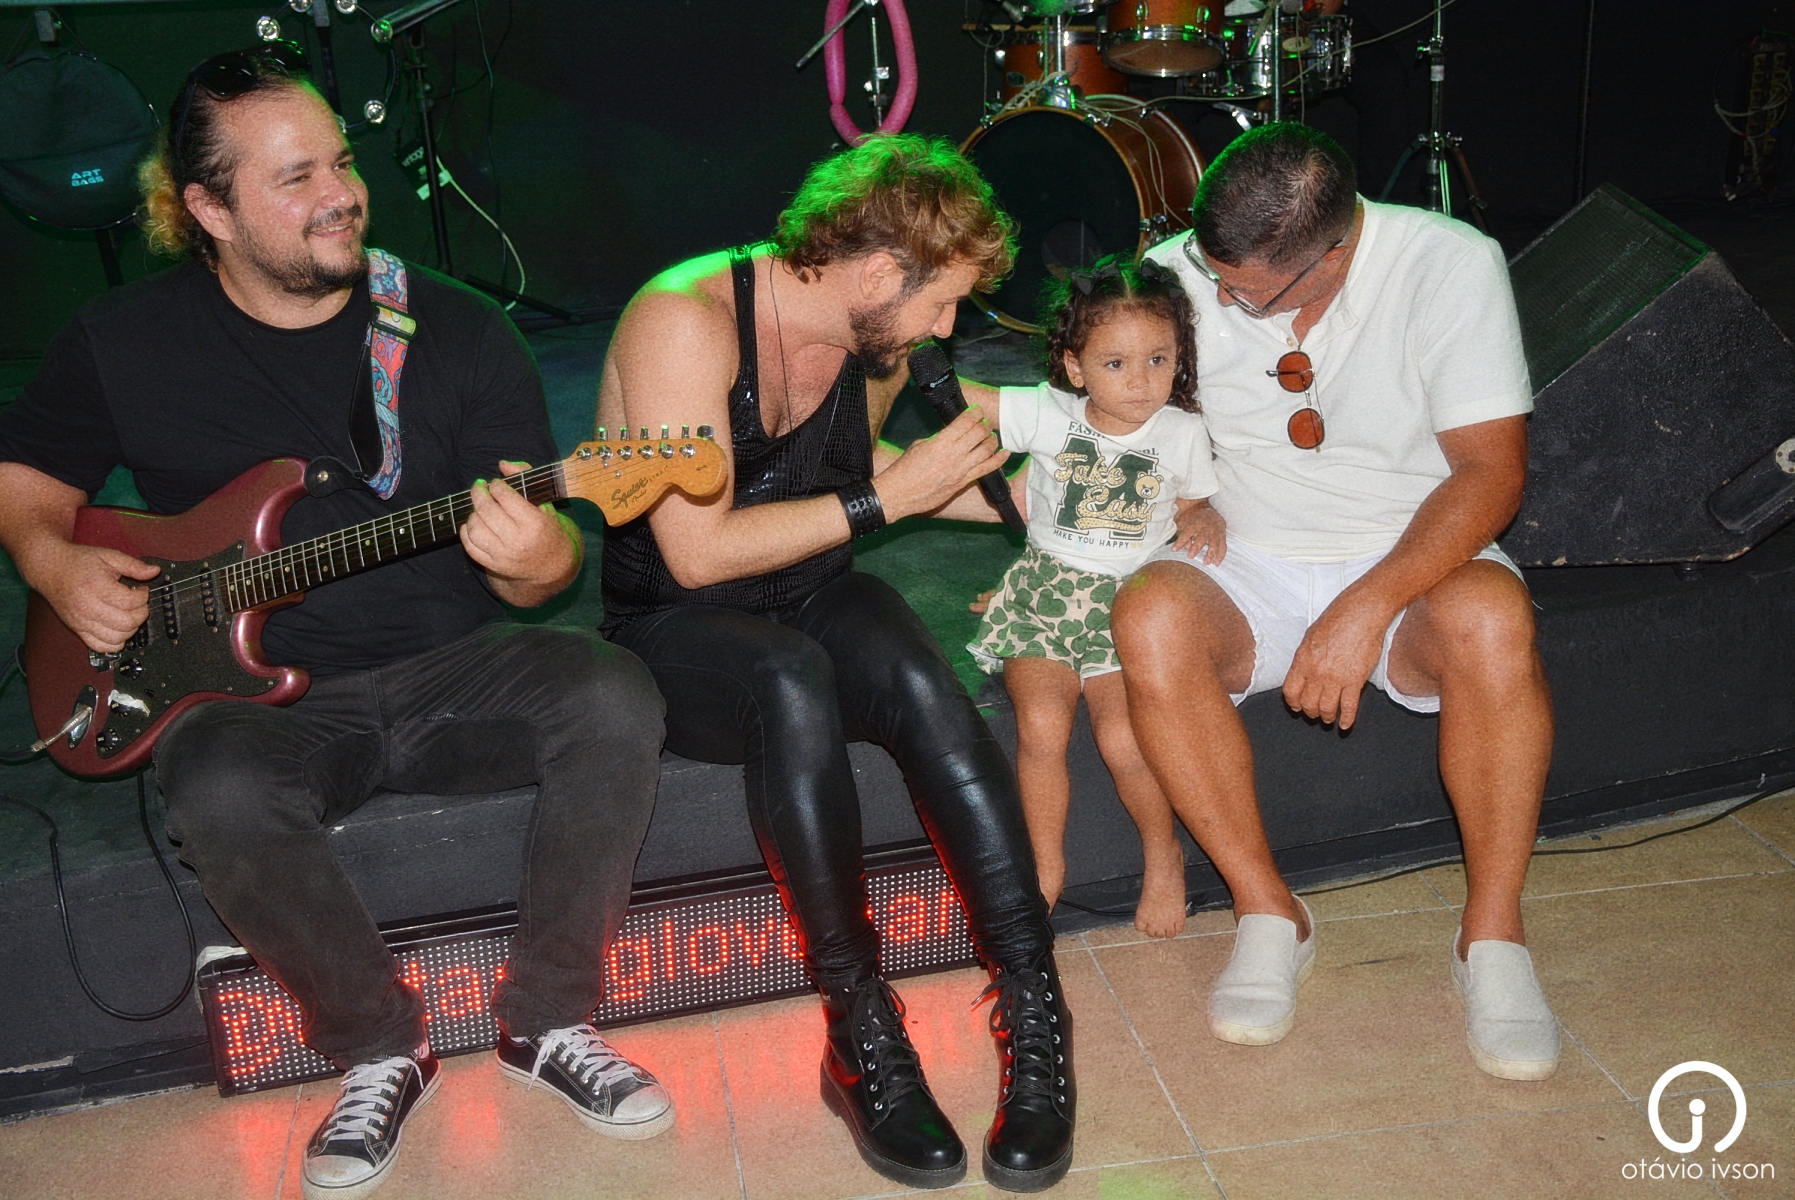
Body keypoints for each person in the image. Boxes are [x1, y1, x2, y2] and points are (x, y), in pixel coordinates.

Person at [0, 46, 674, 1200]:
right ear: (207, 209)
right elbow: (24, 477)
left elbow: (545, 571)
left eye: (344, 162)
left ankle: (548, 1020)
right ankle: (378, 1048)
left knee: (613, 694)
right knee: (213, 785)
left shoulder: (454, 328)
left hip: (457, 668)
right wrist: (53, 562)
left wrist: (542, 559)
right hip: (260, 700)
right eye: (295, 176)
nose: (340, 194)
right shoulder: (121, 340)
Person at [597, 134, 1075, 1193]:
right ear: (874, 274)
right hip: (678, 623)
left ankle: (1034, 1001)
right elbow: (696, 550)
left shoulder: (873, 343)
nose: (946, 328)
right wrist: (887, 501)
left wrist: (1046, 505)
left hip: (805, 587)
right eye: (941, 303)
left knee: (912, 667)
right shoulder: (684, 319)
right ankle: (860, 1028)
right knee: (789, 678)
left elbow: (860, 467)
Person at [1119, 123, 1561, 1080]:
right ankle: (1268, 912)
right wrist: (1166, 499)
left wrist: (1366, 606)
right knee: (1148, 616)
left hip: (1410, 552)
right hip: (1244, 552)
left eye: (1248, 293)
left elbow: (1491, 474)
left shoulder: (1447, 262)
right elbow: (1114, 430)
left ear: (1334, 251)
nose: (1221, 300)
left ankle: (1491, 937)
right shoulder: (1175, 273)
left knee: (1492, 620)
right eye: (1213, 277)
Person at [960, 254, 1223, 939]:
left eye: (1158, 360)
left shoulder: (1181, 433)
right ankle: (1045, 867)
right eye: (1114, 363)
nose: (1140, 381)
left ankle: (1162, 854)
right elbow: (969, 396)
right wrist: (887, 356)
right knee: (1041, 728)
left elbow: (1194, 502)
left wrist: (1204, 517)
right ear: (1074, 367)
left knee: (1123, 739)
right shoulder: (1050, 414)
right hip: (1044, 594)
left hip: (1125, 606)